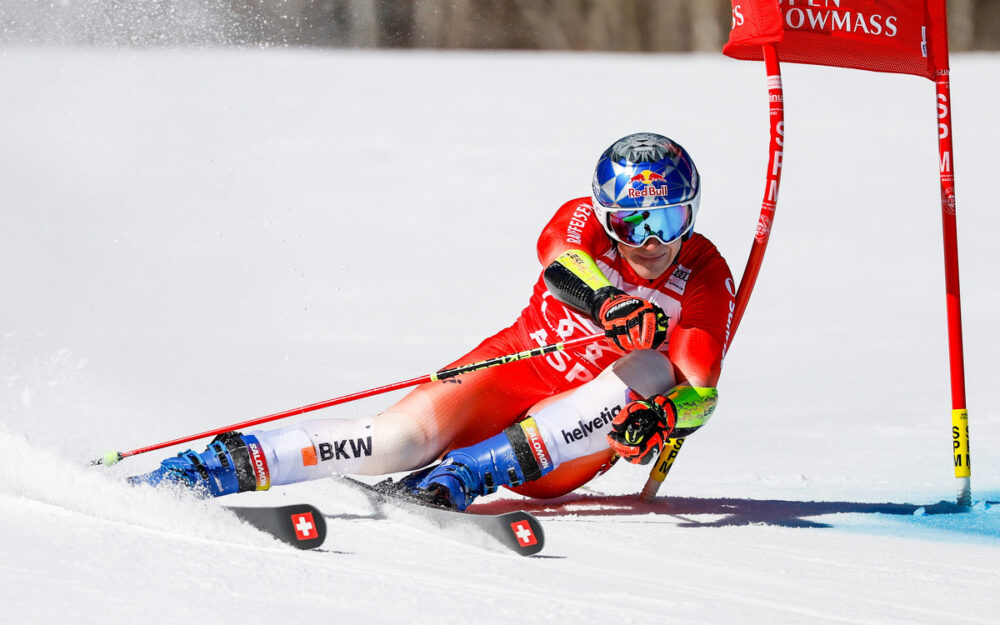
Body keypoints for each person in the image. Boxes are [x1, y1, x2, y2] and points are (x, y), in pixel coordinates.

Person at [129, 132, 735, 511]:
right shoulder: (579, 221)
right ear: (605, 217)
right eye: (632, 224)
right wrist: (610, 304)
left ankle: (469, 474)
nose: (652, 241)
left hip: (567, 444)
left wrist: (663, 417)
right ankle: (221, 466)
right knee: (397, 439)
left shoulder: (705, 272)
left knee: (654, 367)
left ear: (693, 212)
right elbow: (561, 263)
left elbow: (699, 391)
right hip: (515, 369)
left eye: (669, 220)